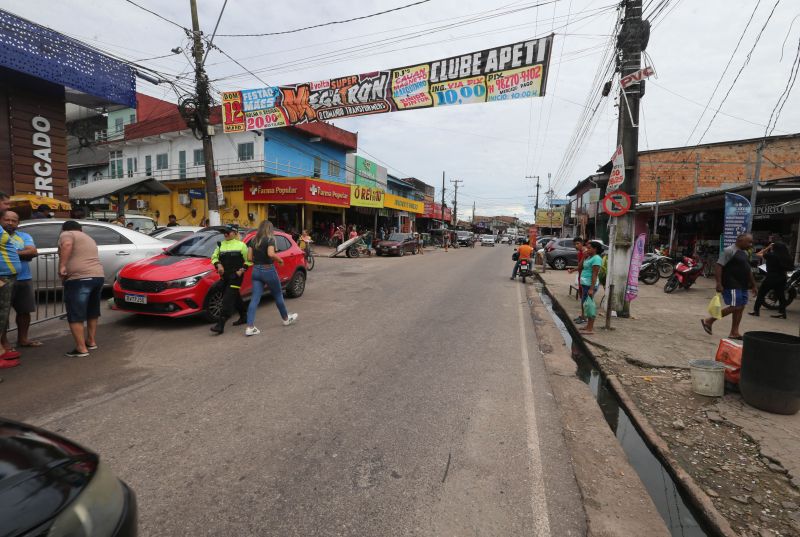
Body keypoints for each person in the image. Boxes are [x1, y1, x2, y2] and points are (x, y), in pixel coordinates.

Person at [58, 220, 104, 357]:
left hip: (79, 279)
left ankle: (81, 348)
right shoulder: (88, 237)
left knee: (75, 313)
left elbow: (66, 245)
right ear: (81, 229)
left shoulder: (67, 234)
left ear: (63, 229)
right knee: (92, 311)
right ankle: (91, 340)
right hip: (97, 277)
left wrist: (62, 266)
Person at [245, 220, 298, 336]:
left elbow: (249, 258)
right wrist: (279, 260)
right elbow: (270, 254)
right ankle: (285, 319)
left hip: (256, 270)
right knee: (278, 294)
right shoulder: (270, 239)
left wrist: (258, 261)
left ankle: (250, 327)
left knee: (255, 299)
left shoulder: (254, 240)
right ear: (270, 229)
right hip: (268, 270)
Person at [702, 233, 757, 340]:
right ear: (740, 240)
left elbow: (748, 269)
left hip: (743, 285)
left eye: (751, 242)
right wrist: (718, 283)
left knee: (740, 308)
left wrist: (754, 285)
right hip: (731, 284)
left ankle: (734, 332)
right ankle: (709, 320)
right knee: (736, 306)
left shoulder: (745, 253)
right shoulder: (729, 250)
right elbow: (719, 266)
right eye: (749, 242)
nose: (750, 244)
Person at [0, 211, 40, 353]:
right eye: (6, 219)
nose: (10, 223)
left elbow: (33, 252)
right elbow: (27, 253)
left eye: (14, 220)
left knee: (24, 311)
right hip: (3, 279)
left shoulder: (24, 236)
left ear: (18, 223)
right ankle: (4, 343)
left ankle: (23, 339)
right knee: (2, 314)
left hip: (24, 278)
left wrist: (11, 253)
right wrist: (22, 253)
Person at [210, 224, 250, 334]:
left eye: (228, 232)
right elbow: (213, 257)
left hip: (236, 277)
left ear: (235, 233)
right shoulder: (220, 245)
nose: (225, 234)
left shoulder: (241, 245)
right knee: (235, 296)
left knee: (227, 299)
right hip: (225, 277)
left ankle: (220, 324)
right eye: (224, 232)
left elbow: (249, 260)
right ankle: (244, 316)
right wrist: (218, 265)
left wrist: (241, 270)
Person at [749, 239, 793, 319]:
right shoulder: (787, 257)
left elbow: (759, 254)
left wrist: (768, 247)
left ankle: (756, 311)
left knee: (761, 293)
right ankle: (782, 313)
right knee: (781, 296)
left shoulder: (771, 255)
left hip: (771, 277)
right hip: (782, 277)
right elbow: (790, 268)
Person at [579, 240, 604, 335]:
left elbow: (594, 274)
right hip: (585, 284)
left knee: (590, 306)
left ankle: (590, 328)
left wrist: (591, 288)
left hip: (590, 285)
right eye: (587, 248)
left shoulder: (597, 259)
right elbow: (580, 267)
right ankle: (588, 326)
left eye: (589, 248)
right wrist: (584, 257)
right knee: (586, 305)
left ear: (595, 249)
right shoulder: (589, 257)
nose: (587, 249)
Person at [567, 237, 587, 323]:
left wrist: (572, 270)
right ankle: (583, 315)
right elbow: (580, 266)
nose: (576, 246)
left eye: (578, 243)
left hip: (586, 277)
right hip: (581, 276)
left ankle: (584, 317)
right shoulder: (580, 253)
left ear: (582, 243)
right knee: (582, 297)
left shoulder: (585, 253)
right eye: (575, 244)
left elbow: (581, 266)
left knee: (585, 299)